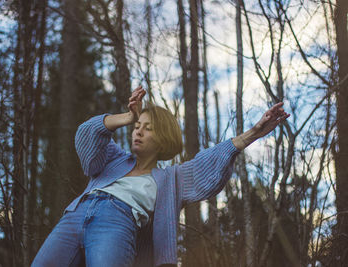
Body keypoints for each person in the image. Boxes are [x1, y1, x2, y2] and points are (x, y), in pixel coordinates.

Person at [31, 85, 290, 267]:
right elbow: (87, 134)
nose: (138, 132)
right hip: (75, 215)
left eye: (148, 128)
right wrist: (128, 116)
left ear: (163, 138)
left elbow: (208, 164)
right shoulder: (112, 159)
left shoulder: (172, 178)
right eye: (137, 127)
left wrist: (254, 132)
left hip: (116, 221)